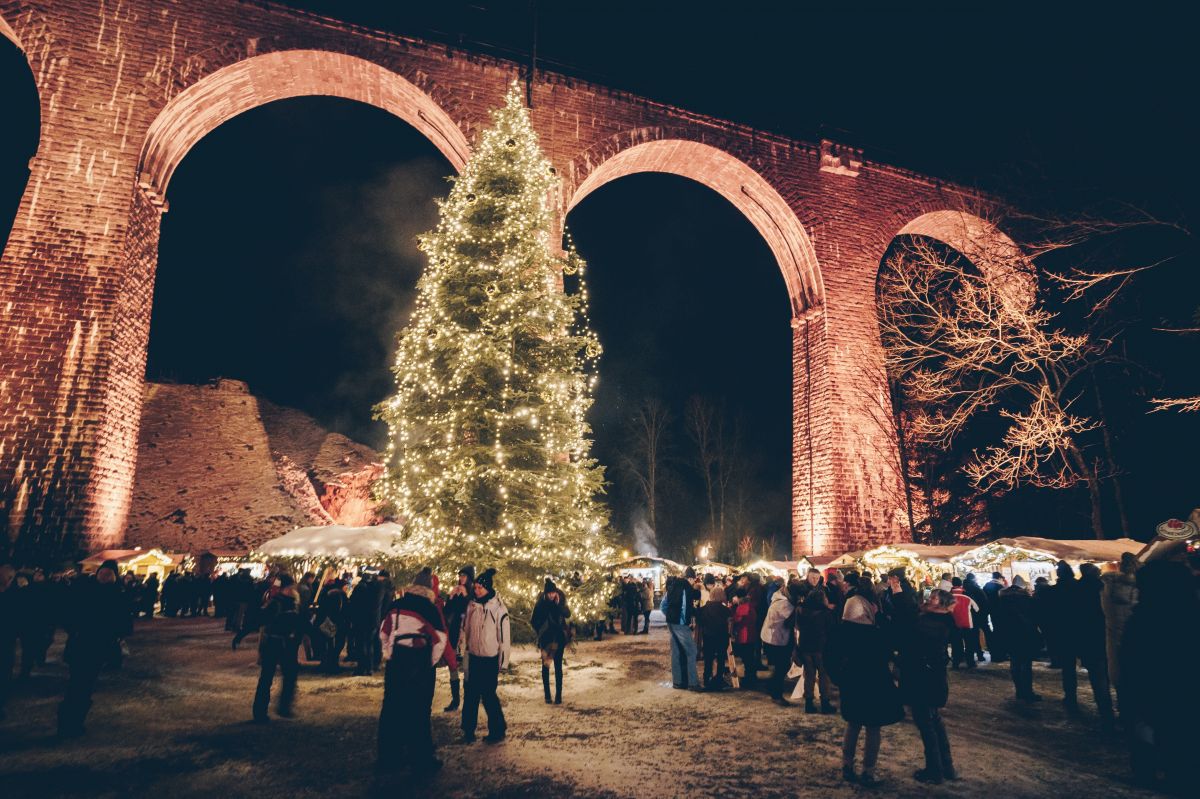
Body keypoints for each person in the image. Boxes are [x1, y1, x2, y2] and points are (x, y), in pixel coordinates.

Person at [1119, 559, 1198, 793]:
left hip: (1160, 705)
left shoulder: (1142, 622)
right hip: (1184, 704)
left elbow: (1132, 671)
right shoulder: (1192, 616)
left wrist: (1132, 710)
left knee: (1177, 764)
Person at [377, 568, 455, 776]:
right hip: (419, 663)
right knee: (419, 711)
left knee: (392, 708)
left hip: (396, 663)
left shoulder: (396, 605)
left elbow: (384, 632)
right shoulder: (429, 609)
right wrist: (430, 662)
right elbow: (440, 639)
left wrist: (389, 653)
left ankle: (389, 756)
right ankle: (420, 758)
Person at [827, 581, 903, 788]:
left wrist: (839, 678)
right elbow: (893, 642)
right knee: (873, 728)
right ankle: (868, 771)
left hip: (851, 683)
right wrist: (880, 617)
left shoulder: (840, 631)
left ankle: (847, 765)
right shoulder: (875, 632)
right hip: (875, 683)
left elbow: (830, 658)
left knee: (853, 725)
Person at [57, 560, 132, 738]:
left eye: (108, 574)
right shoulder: (84, 590)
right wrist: (74, 630)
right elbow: (67, 611)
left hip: (99, 647)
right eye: (102, 573)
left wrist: (117, 634)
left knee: (85, 686)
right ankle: (68, 724)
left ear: (115, 577)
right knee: (77, 685)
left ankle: (74, 722)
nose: (104, 576)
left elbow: (124, 622)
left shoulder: (118, 594)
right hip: (80, 644)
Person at [900, 589, 958, 785]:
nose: (929, 599)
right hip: (931, 676)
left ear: (942, 603)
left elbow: (909, 637)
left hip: (923, 678)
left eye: (934, 598)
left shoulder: (932, 622)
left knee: (926, 723)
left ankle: (934, 770)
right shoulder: (937, 619)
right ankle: (946, 765)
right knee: (934, 720)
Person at [461, 568, 510, 744]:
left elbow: (504, 638)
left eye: (480, 588)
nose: (476, 590)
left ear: (487, 588)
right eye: (475, 587)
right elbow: (465, 630)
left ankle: (497, 729)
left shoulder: (498, 609)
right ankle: (468, 731)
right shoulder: (472, 606)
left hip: (490, 659)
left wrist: (503, 661)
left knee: (488, 695)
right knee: (471, 695)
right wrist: (463, 650)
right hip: (474, 657)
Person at [252, 575, 304, 723]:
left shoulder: (294, 603)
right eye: (292, 587)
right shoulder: (276, 603)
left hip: (287, 644)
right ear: (287, 588)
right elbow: (261, 619)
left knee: (289, 675)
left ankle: (284, 707)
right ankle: (260, 712)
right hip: (274, 643)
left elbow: (300, 622)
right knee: (267, 677)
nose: (294, 589)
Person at [1100, 553, 1137, 719]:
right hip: (1136, 641)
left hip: (1114, 639)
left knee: (1120, 678)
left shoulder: (1107, 589)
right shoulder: (1140, 590)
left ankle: (1124, 714)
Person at [995, 575, 1041, 702]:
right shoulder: (1026, 598)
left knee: (1015, 662)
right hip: (1025, 634)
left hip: (1009, 634)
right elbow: (1034, 616)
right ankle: (1028, 692)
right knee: (1026, 663)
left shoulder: (1002, 598)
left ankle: (1019, 690)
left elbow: (998, 618)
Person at [530, 579, 571, 704]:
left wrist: (559, 605)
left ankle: (558, 696)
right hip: (546, 640)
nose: (552, 595)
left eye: (553, 592)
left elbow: (567, 614)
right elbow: (533, 620)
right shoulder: (541, 604)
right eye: (550, 593)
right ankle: (547, 695)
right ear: (546, 593)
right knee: (546, 667)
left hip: (558, 639)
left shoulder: (560, 600)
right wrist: (541, 630)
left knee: (558, 667)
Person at [760, 579, 800, 706]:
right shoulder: (784, 604)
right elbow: (790, 622)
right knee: (782, 666)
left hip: (773, 637)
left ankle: (772, 686)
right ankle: (776, 694)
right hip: (774, 639)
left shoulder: (781, 598)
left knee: (780, 666)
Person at [796, 588, 836, 714]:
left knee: (809, 675)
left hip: (805, 646)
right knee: (824, 675)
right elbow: (831, 631)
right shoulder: (826, 613)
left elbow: (797, 627)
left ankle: (809, 703)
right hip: (821, 648)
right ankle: (825, 703)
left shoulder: (801, 611)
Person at [661, 569, 700, 691]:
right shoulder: (686, 586)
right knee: (692, 651)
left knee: (676, 651)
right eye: (694, 580)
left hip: (671, 622)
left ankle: (678, 682)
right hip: (680, 624)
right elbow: (684, 607)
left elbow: (663, 606)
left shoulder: (672, 585)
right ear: (691, 578)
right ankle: (693, 683)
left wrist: (670, 616)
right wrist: (684, 621)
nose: (693, 583)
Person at [442, 565, 473, 712]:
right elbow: (447, 611)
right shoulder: (456, 592)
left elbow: (471, 610)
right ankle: (455, 700)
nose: (461, 578)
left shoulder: (473, 592)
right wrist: (451, 597)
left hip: (468, 634)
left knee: (467, 668)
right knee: (453, 665)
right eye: (460, 575)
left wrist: (466, 596)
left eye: (464, 575)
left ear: (469, 578)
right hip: (454, 632)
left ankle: (469, 699)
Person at [697, 585, 731, 690]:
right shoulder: (725, 610)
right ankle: (719, 679)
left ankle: (706, 679)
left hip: (708, 637)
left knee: (708, 659)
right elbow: (730, 622)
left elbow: (700, 622)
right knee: (721, 659)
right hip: (722, 637)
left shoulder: (703, 609)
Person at [948, 578, 980, 669]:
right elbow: (977, 609)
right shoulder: (967, 594)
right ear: (961, 584)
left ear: (952, 584)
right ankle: (970, 662)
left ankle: (956, 663)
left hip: (953, 624)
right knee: (969, 644)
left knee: (956, 644)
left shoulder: (948, 596)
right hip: (967, 623)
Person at [0, 565, 17, 720]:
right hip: (6, 640)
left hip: (6, 641)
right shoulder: (10, 595)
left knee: (4, 673)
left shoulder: (13, 594)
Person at [962, 573, 989, 663]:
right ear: (974, 579)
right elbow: (984, 602)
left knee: (971, 637)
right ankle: (981, 654)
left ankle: (972, 657)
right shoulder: (977, 589)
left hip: (967, 617)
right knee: (983, 634)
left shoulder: (963, 590)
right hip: (979, 616)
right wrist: (984, 614)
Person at [982, 571, 1008, 662]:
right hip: (1000, 612)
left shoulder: (986, 586)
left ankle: (994, 652)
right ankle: (1001, 653)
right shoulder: (1000, 587)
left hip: (990, 611)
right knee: (1000, 631)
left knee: (995, 630)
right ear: (999, 578)